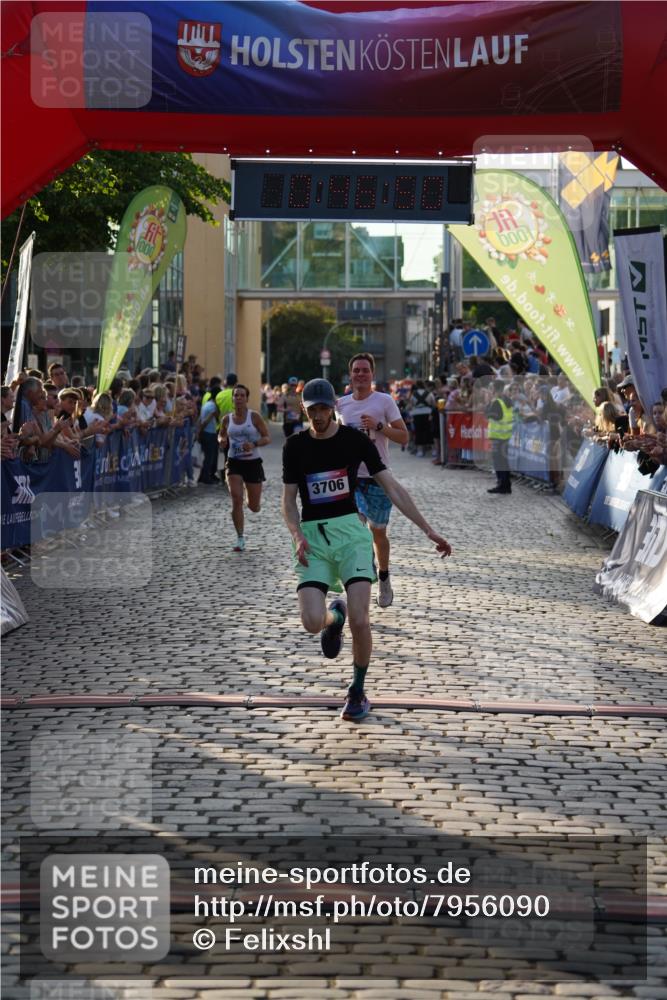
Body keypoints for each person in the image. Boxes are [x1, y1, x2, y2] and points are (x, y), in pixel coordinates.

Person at [282, 378, 452, 723]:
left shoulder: (355, 442)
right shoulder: (294, 446)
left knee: (362, 619)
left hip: (351, 535)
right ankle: (334, 617)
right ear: (305, 410)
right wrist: (297, 534)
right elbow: (287, 501)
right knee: (312, 622)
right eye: (312, 409)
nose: (318, 415)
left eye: (323, 409)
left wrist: (428, 529)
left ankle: (357, 690)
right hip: (313, 539)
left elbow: (393, 487)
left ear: (334, 408)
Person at [336, 352, 408, 608]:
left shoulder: (384, 401)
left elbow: (403, 437)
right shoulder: (341, 405)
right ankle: (363, 572)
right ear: (350, 374)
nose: (360, 374)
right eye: (356, 370)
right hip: (352, 478)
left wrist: (379, 427)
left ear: (372, 374)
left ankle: (384, 576)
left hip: (378, 477)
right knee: (357, 532)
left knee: (378, 533)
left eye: (365, 370)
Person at [218, 385, 271, 552]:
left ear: (247, 399)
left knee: (254, 507)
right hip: (234, 462)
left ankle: (252, 500)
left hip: (253, 463)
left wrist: (254, 444)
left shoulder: (254, 417)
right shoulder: (227, 419)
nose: (238, 398)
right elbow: (222, 434)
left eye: (242, 395)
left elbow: (267, 437)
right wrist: (222, 440)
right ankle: (240, 537)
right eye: (236, 395)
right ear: (232, 399)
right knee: (236, 499)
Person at [486, 379, 514, 494]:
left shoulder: (497, 402)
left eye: (491, 388)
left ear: (495, 389)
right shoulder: (508, 400)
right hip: (506, 435)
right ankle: (506, 485)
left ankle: (502, 484)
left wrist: (489, 403)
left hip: (498, 435)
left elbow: (489, 415)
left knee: (499, 461)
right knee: (504, 461)